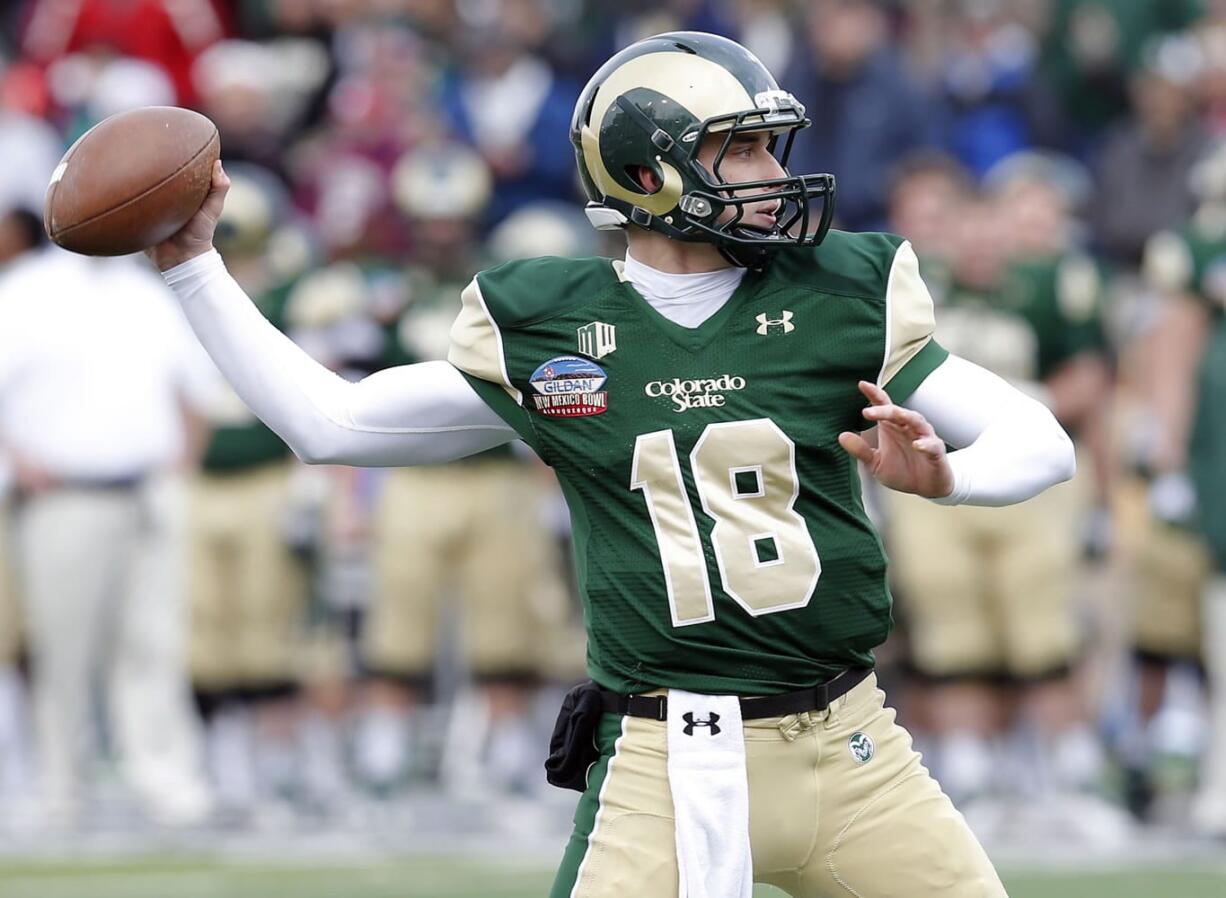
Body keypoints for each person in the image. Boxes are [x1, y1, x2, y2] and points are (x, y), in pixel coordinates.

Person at [151, 31, 1073, 898]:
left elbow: (1042, 442)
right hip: (663, 762)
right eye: (743, 150)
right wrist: (195, 269)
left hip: (854, 746)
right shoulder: (556, 325)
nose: (773, 175)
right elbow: (330, 422)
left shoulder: (837, 293)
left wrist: (951, 478)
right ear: (648, 172)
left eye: (770, 147)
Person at [0, 226, 215, 828]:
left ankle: (167, 783)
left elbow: (193, 386)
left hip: (147, 489)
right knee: (62, 650)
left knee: (154, 642)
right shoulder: (23, 291)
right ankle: (59, 788)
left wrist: (181, 465)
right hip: (64, 495)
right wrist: (17, 461)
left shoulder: (147, 291)